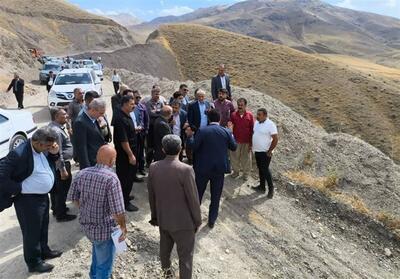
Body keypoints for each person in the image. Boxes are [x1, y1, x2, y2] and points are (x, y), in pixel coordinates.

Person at [0, 127, 63, 273]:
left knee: (42, 226)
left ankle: (44, 251)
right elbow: (1, 175)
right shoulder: (19, 154)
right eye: (47, 146)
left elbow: (47, 164)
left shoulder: (41, 149)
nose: (49, 148)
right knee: (31, 231)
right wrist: (18, 189)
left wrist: (54, 154)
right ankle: (34, 262)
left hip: (41, 196)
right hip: (27, 200)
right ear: (37, 142)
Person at [68, 145, 127, 279]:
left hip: (87, 226)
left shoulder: (82, 173)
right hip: (104, 229)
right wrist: (123, 228)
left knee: (98, 253)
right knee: (104, 265)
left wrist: (87, 209)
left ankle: (93, 276)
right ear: (112, 160)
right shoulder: (112, 179)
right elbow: (118, 211)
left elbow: (73, 198)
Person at [148, 135, 201, 279]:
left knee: (164, 253)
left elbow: (151, 196)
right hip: (184, 224)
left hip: (163, 220)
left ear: (163, 149)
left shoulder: (153, 167)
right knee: (185, 259)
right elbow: (193, 200)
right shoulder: (186, 170)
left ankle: (168, 276)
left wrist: (155, 217)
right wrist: (197, 221)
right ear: (181, 149)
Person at [186, 109, 237, 228]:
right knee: (216, 196)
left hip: (202, 168)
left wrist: (189, 136)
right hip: (219, 169)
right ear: (219, 119)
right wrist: (231, 133)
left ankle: (193, 219)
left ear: (209, 119)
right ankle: (212, 220)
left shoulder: (202, 131)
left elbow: (193, 146)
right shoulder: (226, 131)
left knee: (198, 194)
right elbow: (234, 147)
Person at [48, 108, 77, 222]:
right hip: (61, 164)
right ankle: (61, 214)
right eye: (64, 114)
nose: (67, 116)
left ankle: (56, 209)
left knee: (56, 189)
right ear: (56, 117)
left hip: (58, 164)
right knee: (62, 189)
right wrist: (63, 169)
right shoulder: (56, 131)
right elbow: (57, 151)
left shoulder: (56, 127)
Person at [113, 95, 140, 212]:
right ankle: (124, 202)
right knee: (126, 178)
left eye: (134, 103)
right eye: (131, 104)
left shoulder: (126, 115)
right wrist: (130, 155)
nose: (133, 106)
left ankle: (126, 195)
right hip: (125, 155)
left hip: (131, 150)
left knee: (129, 177)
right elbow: (124, 140)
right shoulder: (120, 118)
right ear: (124, 104)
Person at [73, 98, 107, 169]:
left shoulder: (93, 118)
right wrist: (86, 168)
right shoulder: (80, 122)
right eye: (101, 113)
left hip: (98, 160)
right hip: (91, 163)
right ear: (92, 110)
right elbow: (81, 147)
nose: (102, 116)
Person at [252, 108, 279, 198]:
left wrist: (270, 150)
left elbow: (275, 139)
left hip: (265, 152)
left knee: (265, 170)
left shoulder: (270, 124)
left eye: (259, 114)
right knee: (260, 169)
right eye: (257, 114)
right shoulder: (256, 122)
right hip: (257, 150)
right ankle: (262, 187)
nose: (257, 116)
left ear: (265, 115)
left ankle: (271, 189)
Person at [229, 98, 254, 180]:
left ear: (245, 106)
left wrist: (251, 142)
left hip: (247, 141)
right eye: (238, 105)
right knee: (234, 157)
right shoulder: (233, 115)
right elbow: (230, 127)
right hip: (235, 141)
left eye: (241, 105)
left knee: (246, 158)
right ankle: (236, 172)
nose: (239, 106)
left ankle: (245, 174)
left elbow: (252, 129)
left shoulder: (250, 115)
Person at [145, 86, 165, 166]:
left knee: (158, 145)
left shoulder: (161, 102)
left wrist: (157, 112)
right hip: (151, 127)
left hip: (159, 128)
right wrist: (159, 113)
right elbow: (150, 114)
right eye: (156, 94)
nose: (157, 96)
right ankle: (148, 162)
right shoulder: (148, 103)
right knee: (150, 146)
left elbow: (164, 112)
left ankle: (157, 162)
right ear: (152, 94)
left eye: (158, 94)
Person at [133, 91, 149, 176]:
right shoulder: (131, 107)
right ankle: (134, 170)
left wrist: (146, 130)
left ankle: (141, 168)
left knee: (141, 152)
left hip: (141, 133)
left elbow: (146, 119)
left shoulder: (142, 107)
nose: (138, 99)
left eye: (139, 97)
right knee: (135, 152)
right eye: (136, 97)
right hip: (133, 134)